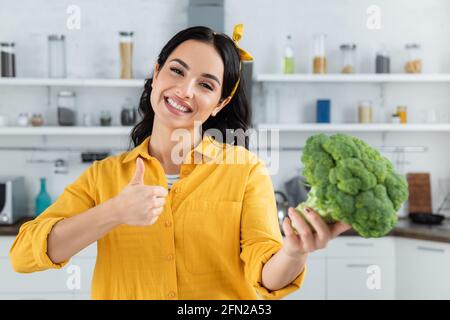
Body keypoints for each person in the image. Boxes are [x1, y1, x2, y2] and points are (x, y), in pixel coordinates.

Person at [9, 24, 350, 300]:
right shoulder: (104, 176)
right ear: (156, 74)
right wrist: (115, 212)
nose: (185, 90)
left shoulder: (245, 171)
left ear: (220, 102)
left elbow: (265, 276)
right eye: (176, 71)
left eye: (205, 84)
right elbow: (23, 255)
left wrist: (293, 252)